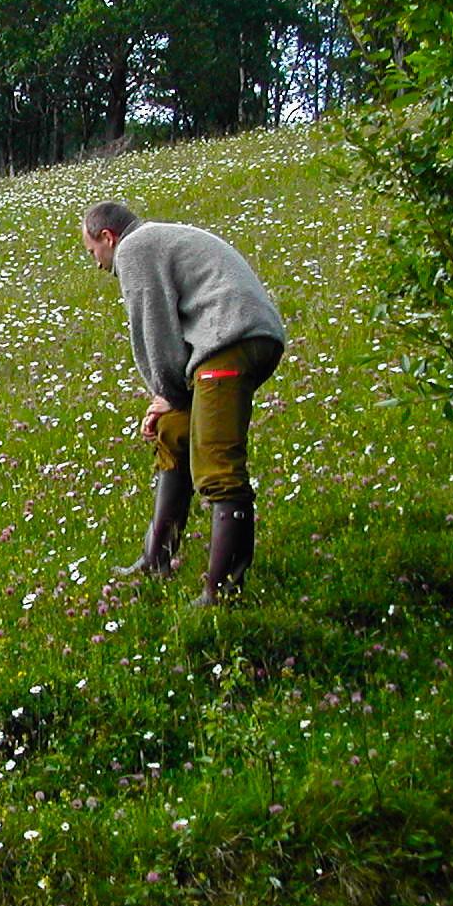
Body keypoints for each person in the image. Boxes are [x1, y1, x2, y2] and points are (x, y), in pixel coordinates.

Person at [81, 200, 286, 605]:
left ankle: (223, 592)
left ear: (108, 237)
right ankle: (156, 559)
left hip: (230, 341)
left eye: (93, 252)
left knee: (216, 462)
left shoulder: (135, 248)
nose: (97, 263)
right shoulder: (156, 238)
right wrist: (171, 403)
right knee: (175, 434)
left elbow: (154, 329)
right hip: (237, 338)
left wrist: (165, 393)